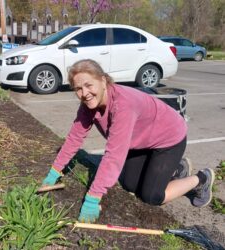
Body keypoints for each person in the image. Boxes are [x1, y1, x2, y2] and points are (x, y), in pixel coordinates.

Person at [41, 59, 215, 223]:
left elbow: (114, 155)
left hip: (168, 138)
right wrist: (53, 174)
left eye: (88, 85)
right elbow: (74, 139)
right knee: (130, 184)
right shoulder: (88, 105)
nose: (84, 93)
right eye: (78, 88)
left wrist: (93, 198)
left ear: (103, 81)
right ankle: (176, 168)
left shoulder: (123, 104)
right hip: (142, 141)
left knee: (151, 196)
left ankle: (201, 179)